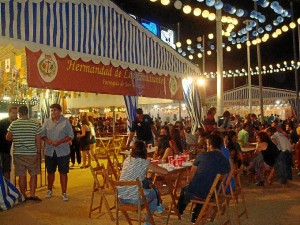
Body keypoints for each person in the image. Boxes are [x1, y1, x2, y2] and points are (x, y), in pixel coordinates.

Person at [177, 134, 230, 223]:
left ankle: (179, 211)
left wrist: (189, 180)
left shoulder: (202, 155)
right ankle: (196, 215)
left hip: (200, 192)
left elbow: (191, 174)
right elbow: (227, 170)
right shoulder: (224, 159)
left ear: (210, 145)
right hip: (213, 193)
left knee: (186, 190)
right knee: (202, 186)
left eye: (207, 144)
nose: (206, 146)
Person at [118, 140, 168, 224]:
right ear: (144, 151)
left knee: (149, 189)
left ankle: (159, 207)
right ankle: (149, 221)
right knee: (154, 193)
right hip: (134, 200)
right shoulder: (144, 162)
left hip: (121, 198)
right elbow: (165, 172)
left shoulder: (127, 160)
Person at [6, 105, 42, 202]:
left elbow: (8, 137)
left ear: (19, 113)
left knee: (21, 175)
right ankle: (33, 194)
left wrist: (17, 138)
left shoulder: (14, 124)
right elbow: (38, 139)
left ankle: (23, 195)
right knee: (33, 174)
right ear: (27, 112)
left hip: (18, 153)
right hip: (32, 153)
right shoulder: (34, 124)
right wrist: (38, 152)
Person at [41, 104, 73, 201]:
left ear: (59, 111)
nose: (52, 112)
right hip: (50, 151)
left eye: (54, 110)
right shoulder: (47, 122)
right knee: (50, 172)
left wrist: (60, 141)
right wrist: (48, 141)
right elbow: (42, 134)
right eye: (51, 110)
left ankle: (64, 192)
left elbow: (71, 136)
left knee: (63, 172)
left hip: (62, 151)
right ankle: (49, 190)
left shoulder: (66, 122)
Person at [0, 106, 18, 180]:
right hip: (5, 149)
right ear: (9, 113)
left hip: (16, 150)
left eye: (16, 113)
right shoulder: (2, 123)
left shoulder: (18, 122)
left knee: (16, 170)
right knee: (6, 168)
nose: (15, 115)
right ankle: (6, 186)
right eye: (13, 113)